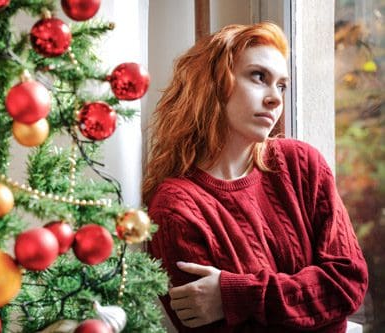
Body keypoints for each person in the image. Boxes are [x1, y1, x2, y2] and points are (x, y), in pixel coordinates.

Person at [143, 22, 368, 333]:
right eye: (259, 77)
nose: (275, 99)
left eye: (282, 86)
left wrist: (236, 295)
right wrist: (312, 304)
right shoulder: (175, 209)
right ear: (214, 84)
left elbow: (348, 283)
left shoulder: (302, 164)